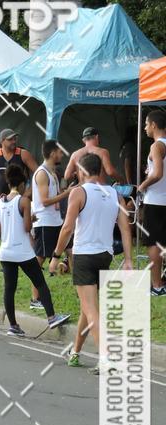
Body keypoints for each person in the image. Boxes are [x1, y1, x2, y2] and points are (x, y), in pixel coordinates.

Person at [48, 153, 133, 373]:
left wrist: (56, 256)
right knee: (88, 309)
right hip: (105, 254)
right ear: (100, 170)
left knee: (90, 307)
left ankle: (106, 357)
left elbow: (67, 228)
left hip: (84, 255)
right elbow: (125, 228)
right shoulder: (115, 194)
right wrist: (129, 259)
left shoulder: (78, 192)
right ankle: (75, 351)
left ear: (82, 171)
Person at [0, 164, 70, 336]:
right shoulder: (24, 201)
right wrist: (31, 217)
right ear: (22, 184)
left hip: (5, 251)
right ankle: (51, 317)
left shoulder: (1, 202)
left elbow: (2, 226)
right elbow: (27, 227)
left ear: (9, 183)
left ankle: (13, 325)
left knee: (9, 288)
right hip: (22, 251)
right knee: (40, 283)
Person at [31, 139, 72, 282]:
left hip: (56, 220)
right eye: (60, 152)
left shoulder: (52, 172)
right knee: (40, 257)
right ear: (53, 153)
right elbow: (45, 201)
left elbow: (55, 195)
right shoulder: (42, 173)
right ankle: (35, 296)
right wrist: (66, 194)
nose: (62, 155)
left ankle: (79, 288)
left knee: (71, 250)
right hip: (44, 222)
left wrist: (69, 190)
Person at [137, 109, 166, 296]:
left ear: (154, 125)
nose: (145, 128)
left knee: (153, 243)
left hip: (155, 201)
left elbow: (158, 173)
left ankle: (156, 286)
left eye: (146, 124)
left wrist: (142, 185)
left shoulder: (156, 146)